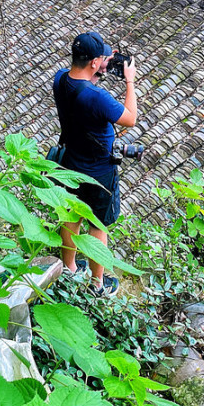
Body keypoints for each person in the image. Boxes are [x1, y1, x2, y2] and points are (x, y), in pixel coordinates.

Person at [53, 31, 137, 297]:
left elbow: (81, 82)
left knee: (71, 216)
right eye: (101, 58)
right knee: (98, 225)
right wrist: (130, 82)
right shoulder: (98, 98)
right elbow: (130, 118)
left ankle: (68, 267)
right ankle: (98, 284)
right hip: (99, 170)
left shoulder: (60, 79)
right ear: (92, 62)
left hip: (69, 162)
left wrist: (99, 65)